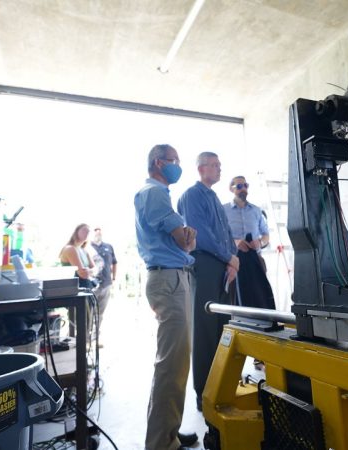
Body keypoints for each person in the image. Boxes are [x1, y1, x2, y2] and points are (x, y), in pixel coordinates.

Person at [135, 144, 199, 450]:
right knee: (171, 365)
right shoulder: (156, 193)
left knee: (174, 364)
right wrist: (187, 233)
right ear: (159, 162)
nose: (178, 166)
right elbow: (185, 241)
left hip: (172, 278)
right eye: (174, 161)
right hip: (169, 279)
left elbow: (185, 239)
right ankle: (161, 443)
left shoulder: (156, 194)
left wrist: (186, 235)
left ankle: (167, 432)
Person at [177, 151, 239, 411]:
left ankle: (222, 386)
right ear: (201, 168)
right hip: (206, 266)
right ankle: (204, 393)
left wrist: (233, 258)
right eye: (215, 165)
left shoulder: (214, 196)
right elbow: (200, 235)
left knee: (224, 328)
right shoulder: (192, 196)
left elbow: (225, 232)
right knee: (204, 331)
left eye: (220, 165)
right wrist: (229, 257)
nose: (219, 169)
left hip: (225, 267)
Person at [224, 176, 276, 310]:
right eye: (239, 186)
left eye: (245, 185)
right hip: (234, 262)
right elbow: (219, 236)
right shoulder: (223, 210)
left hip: (255, 261)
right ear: (231, 189)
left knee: (261, 299)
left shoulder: (256, 210)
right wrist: (235, 242)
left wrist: (260, 242)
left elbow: (266, 234)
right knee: (236, 302)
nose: (244, 189)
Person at [90, 227, 117, 337]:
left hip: (106, 283)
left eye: (100, 231)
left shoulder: (108, 246)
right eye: (95, 231)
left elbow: (115, 262)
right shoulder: (88, 246)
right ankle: (85, 336)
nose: (98, 233)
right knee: (89, 312)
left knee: (100, 312)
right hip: (92, 285)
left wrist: (114, 277)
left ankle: (95, 336)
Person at [59, 223, 97, 289]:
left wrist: (89, 271)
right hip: (74, 290)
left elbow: (95, 269)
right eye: (84, 230)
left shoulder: (84, 250)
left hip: (85, 288)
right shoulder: (70, 249)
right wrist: (90, 271)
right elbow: (83, 274)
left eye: (88, 231)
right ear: (76, 232)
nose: (86, 233)